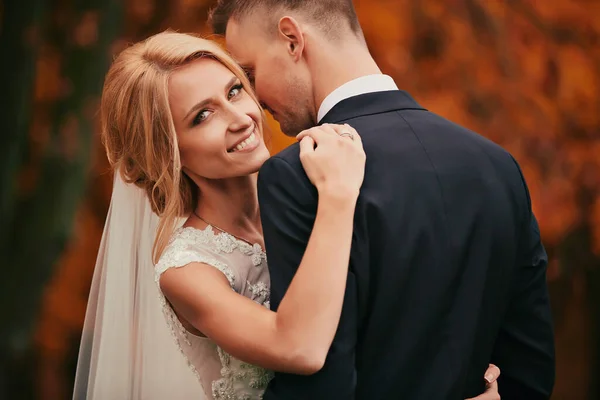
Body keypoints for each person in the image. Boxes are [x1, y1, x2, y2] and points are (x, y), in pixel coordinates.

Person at [73, 31, 501, 400]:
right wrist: (337, 196)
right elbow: (301, 349)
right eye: (202, 116)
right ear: (167, 152)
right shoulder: (186, 270)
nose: (239, 118)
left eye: (235, 90)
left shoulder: (302, 198)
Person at [210, 0, 556, 399]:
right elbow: (530, 372)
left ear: (292, 40)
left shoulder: (299, 175)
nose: (252, 96)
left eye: (249, 73)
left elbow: (321, 388)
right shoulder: (498, 165)